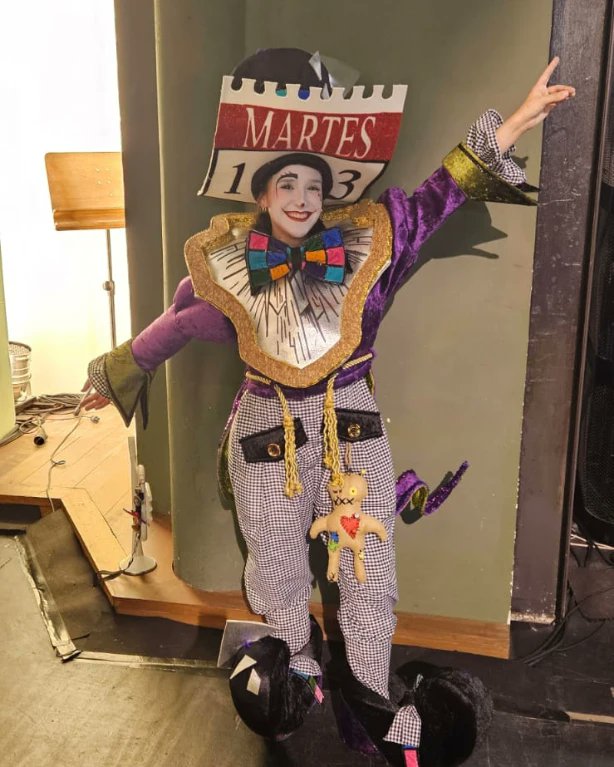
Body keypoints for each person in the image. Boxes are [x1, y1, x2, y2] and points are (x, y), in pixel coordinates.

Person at [82, 49, 574, 766]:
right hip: (266, 434)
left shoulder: (370, 248)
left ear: (328, 191)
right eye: (287, 182)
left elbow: (439, 193)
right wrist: (117, 370)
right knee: (278, 574)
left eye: (313, 183)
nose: (302, 196)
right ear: (261, 194)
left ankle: (371, 710)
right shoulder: (229, 269)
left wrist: (516, 122)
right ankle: (293, 684)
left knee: (367, 575)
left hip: (352, 426)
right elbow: (178, 323)